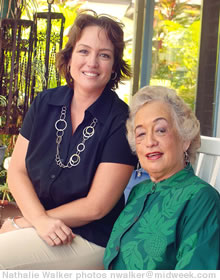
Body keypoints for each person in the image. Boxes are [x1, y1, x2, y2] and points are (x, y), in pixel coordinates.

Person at [0, 10, 137, 270]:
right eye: (84, 51)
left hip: (88, 238)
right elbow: (17, 172)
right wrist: (38, 221)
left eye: (104, 55)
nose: (92, 62)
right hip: (41, 228)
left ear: (114, 65)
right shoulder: (44, 103)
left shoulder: (121, 121)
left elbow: (96, 206)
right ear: (70, 56)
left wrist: (31, 221)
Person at [104, 85, 220, 270]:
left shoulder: (201, 200)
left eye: (160, 130)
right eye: (141, 134)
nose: (150, 142)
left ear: (185, 138)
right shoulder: (138, 191)